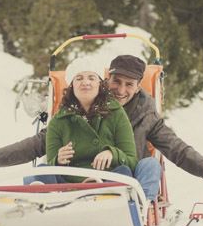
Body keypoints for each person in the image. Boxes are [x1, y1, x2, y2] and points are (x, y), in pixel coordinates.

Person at [0, 54, 203, 196]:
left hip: (125, 178)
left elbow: (177, 149)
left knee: (149, 164)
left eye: (129, 85)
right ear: (106, 80)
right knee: (42, 169)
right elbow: (37, 144)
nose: (121, 90)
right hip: (80, 175)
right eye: (116, 82)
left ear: (138, 88)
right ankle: (43, 204)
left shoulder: (145, 116)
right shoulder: (83, 105)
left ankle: (135, 207)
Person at [28, 57, 138, 186]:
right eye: (79, 78)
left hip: (106, 181)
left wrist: (113, 153)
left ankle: (106, 198)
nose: (86, 82)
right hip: (70, 185)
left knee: (124, 171)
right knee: (43, 170)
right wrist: (58, 159)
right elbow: (52, 166)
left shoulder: (116, 113)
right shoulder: (58, 121)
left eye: (91, 78)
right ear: (71, 85)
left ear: (100, 83)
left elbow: (132, 162)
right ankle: (51, 199)